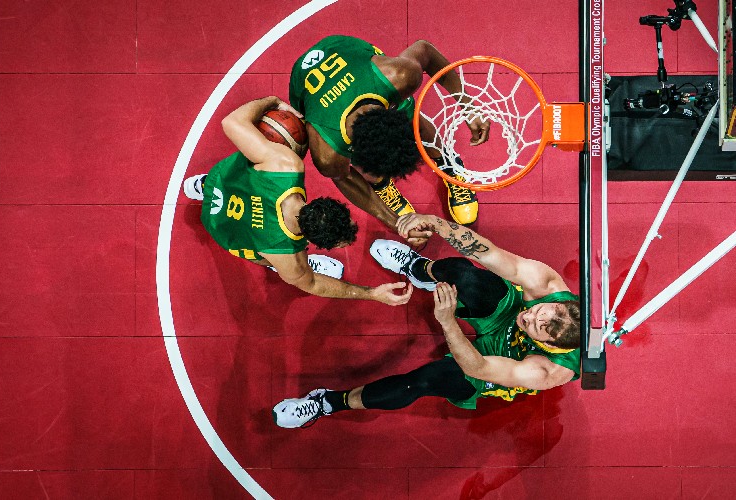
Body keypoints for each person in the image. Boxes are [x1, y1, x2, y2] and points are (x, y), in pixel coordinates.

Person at [272, 213, 580, 428]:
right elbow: (488, 254)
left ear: (547, 344)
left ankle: (327, 402)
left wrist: (448, 322)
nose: (529, 316)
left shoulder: (547, 372)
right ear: (558, 304)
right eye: (537, 311)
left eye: (533, 325)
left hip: (497, 360)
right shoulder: (547, 286)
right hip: (502, 311)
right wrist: (436, 223)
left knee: (420, 383)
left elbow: (478, 368)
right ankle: (419, 270)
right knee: (465, 274)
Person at [182, 96, 412, 306]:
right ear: (311, 242)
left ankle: (203, 186)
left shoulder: (286, 166)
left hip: (219, 180)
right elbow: (311, 283)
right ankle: (272, 265)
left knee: (258, 158)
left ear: (325, 201)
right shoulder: (287, 255)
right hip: (219, 228)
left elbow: (230, 122)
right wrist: (370, 293)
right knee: (270, 260)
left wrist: (271, 101)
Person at [289, 35, 491, 238]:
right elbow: (344, 177)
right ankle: (381, 184)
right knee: (368, 167)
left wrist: (468, 107)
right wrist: (395, 222)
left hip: (345, 49)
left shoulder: (398, 75)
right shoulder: (327, 153)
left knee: (416, 125)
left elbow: (425, 51)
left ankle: (448, 165)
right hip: (302, 82)